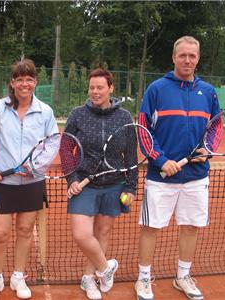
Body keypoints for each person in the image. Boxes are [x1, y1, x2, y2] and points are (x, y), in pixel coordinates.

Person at [135, 36, 221, 300]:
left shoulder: (208, 92)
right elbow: (143, 129)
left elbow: (215, 128)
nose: (187, 60)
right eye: (182, 55)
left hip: (196, 176)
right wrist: (161, 160)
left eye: (192, 56)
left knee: (190, 227)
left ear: (198, 58)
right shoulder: (157, 89)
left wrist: (208, 150)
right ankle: (144, 278)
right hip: (161, 178)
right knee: (151, 227)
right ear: (173, 57)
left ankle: (183, 276)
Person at [0, 58, 58, 300]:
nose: (25, 83)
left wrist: (35, 166)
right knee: (0, 233)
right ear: (12, 83)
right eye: (20, 79)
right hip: (4, 182)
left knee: (24, 230)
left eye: (29, 79)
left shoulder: (45, 112)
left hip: (33, 182)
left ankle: (18, 275)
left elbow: (52, 143)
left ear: (35, 82)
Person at [64, 68, 138, 300]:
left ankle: (90, 279)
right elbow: (66, 148)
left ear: (111, 89)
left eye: (100, 87)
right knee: (82, 234)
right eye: (92, 88)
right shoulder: (78, 114)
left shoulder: (124, 117)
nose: (95, 92)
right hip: (85, 184)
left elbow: (131, 155)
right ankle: (107, 268)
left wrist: (131, 187)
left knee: (102, 233)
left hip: (114, 184)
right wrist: (72, 178)